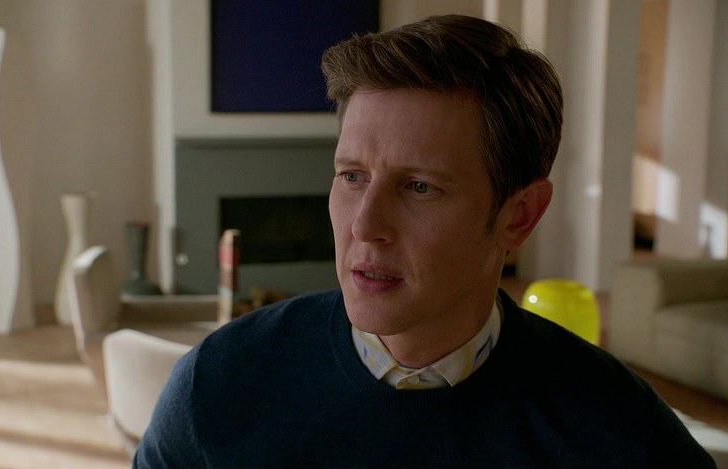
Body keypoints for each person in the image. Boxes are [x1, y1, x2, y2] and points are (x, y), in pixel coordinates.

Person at [135, 14, 715, 468]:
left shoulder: (618, 432)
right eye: (352, 176)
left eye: (419, 187)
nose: (364, 225)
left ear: (519, 217)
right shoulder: (218, 384)